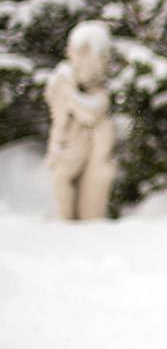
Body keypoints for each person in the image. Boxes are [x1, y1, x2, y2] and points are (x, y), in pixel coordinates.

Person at [44, 21, 116, 220]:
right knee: (61, 180)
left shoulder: (98, 91)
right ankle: (64, 222)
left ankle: (72, 224)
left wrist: (70, 97)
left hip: (83, 148)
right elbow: (58, 114)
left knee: (73, 185)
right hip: (66, 145)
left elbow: (91, 114)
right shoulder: (66, 78)